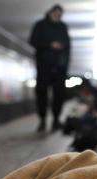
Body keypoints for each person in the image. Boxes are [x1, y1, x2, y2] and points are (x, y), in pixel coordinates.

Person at [29, 4, 71, 132]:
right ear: (50, 13)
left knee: (59, 94)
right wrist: (50, 45)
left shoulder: (63, 27)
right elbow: (33, 41)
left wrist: (65, 63)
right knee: (42, 93)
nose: (57, 17)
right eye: (56, 14)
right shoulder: (40, 25)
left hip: (59, 67)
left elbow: (68, 46)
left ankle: (56, 120)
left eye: (60, 15)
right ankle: (42, 119)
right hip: (44, 66)